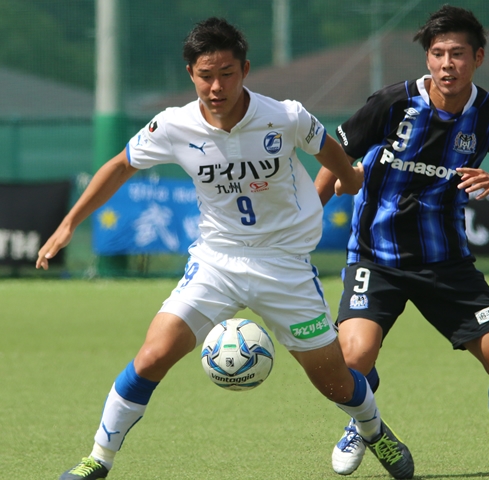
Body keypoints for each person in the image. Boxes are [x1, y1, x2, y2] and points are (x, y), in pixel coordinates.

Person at [37, 17, 414, 480]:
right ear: (191, 74)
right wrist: (69, 223)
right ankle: (98, 458)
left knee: (334, 381)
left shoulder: (285, 115)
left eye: (227, 74)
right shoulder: (174, 125)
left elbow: (329, 148)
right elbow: (119, 166)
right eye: (205, 75)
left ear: (246, 70)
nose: (216, 86)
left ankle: (374, 431)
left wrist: (351, 178)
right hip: (217, 260)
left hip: (283, 264)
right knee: (152, 355)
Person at [315, 5, 489, 476]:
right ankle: (362, 422)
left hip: (447, 264)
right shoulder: (392, 103)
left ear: (478, 58)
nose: (448, 64)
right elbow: (335, 160)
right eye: (439, 53)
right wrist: (303, 225)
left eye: (459, 54)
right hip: (375, 257)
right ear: (428, 59)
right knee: (352, 357)